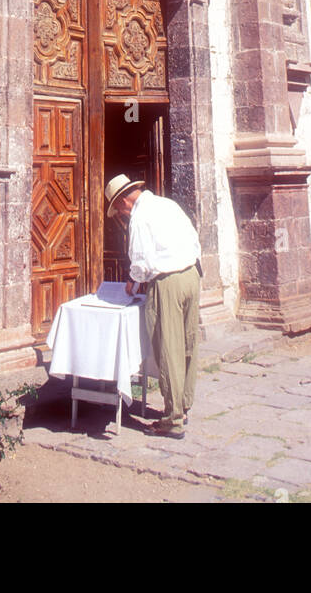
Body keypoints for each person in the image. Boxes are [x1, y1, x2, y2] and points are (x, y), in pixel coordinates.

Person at [105, 173, 201, 439]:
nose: (122, 214)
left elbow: (140, 261)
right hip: (191, 275)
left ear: (124, 200)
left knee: (168, 347)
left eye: (120, 208)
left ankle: (173, 420)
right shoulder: (168, 204)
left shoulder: (139, 217)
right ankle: (184, 405)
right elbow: (193, 238)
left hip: (167, 282)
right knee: (188, 343)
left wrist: (131, 284)